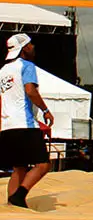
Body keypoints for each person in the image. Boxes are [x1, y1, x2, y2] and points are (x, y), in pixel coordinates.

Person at [0, 34, 54, 208]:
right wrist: (45, 110)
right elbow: (30, 91)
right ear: (24, 49)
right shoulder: (27, 66)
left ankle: (12, 206)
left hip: (7, 125)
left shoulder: (2, 71)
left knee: (19, 167)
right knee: (43, 164)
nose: (33, 47)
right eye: (30, 45)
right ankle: (19, 196)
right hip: (24, 123)